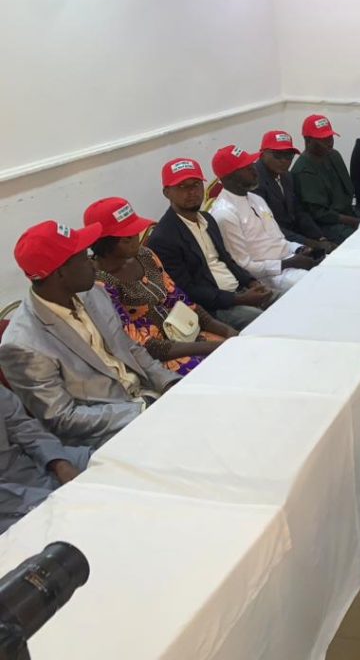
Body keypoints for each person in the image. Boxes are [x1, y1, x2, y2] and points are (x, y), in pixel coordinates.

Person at [0, 221, 180, 447]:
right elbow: (62, 419)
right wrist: (143, 408)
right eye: (84, 258)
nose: (93, 265)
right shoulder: (22, 344)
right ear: (60, 273)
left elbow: (130, 349)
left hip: (150, 399)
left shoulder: (93, 292)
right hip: (107, 434)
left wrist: (169, 383)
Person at [85, 196, 237, 376]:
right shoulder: (99, 285)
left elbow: (180, 300)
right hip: (160, 358)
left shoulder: (145, 255)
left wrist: (225, 330)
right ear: (104, 244)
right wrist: (208, 347)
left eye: (135, 232)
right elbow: (140, 345)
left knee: (238, 351)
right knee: (219, 370)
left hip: (187, 332)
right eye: (127, 238)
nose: (136, 240)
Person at [147, 158, 272, 331]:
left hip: (240, 291)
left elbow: (227, 260)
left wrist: (251, 282)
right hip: (214, 308)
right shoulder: (163, 238)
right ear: (167, 192)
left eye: (196, 184)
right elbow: (186, 290)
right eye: (182, 187)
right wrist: (238, 299)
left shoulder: (207, 219)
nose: (192, 192)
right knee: (267, 321)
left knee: (288, 300)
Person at [208, 144, 317, 293]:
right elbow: (244, 266)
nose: (255, 170)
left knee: (335, 265)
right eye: (247, 168)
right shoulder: (224, 214)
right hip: (270, 277)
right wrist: (288, 263)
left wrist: (299, 248)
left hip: (290, 260)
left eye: (252, 164)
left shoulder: (256, 199)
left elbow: (278, 240)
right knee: (320, 284)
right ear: (229, 177)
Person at [0, 387, 91, 532]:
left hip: (31, 463)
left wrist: (59, 463)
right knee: (77, 522)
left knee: (112, 463)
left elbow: (22, 427)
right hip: (7, 503)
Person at [253, 130, 338, 251]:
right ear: (262, 154)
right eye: (277, 155)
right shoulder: (254, 181)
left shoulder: (286, 175)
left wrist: (320, 238)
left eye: (289, 156)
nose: (284, 160)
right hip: (272, 243)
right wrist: (311, 243)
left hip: (295, 235)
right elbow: (269, 227)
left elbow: (299, 212)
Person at [291, 114, 360, 242]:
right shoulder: (303, 170)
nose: (329, 143)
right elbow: (319, 214)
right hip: (326, 225)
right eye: (323, 139)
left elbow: (348, 190)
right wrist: (356, 222)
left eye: (330, 137)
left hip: (348, 213)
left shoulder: (334, 155)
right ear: (308, 141)